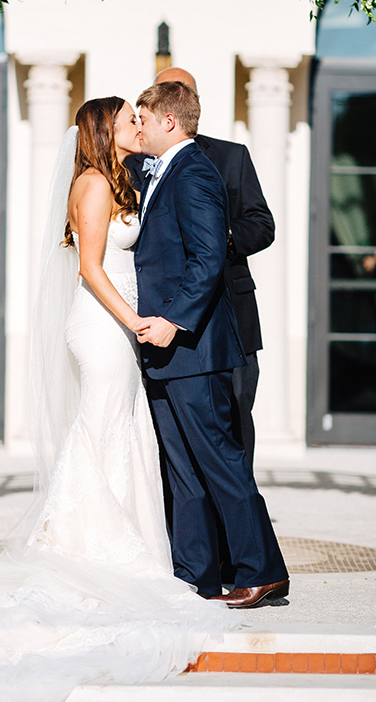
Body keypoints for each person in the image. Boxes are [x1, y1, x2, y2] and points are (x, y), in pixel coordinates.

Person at [0, 98, 240, 702]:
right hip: (104, 325)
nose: (137, 124)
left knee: (122, 430)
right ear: (104, 131)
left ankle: (121, 540)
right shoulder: (90, 183)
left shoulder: (126, 181)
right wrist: (135, 319)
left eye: (141, 117)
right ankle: (77, 544)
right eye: (128, 119)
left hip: (126, 326)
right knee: (102, 427)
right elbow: (89, 267)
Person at [133, 80, 289, 607]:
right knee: (183, 471)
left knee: (220, 461)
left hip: (193, 349)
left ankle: (261, 570)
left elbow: (206, 261)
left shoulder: (195, 172)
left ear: (169, 122)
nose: (140, 127)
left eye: (145, 119)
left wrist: (173, 322)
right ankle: (193, 575)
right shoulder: (159, 171)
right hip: (165, 353)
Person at [126, 66, 274, 469]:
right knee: (172, 437)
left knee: (234, 423)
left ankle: (235, 517)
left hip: (230, 315)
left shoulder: (230, 156)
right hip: (164, 312)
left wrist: (214, 235)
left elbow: (262, 226)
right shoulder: (140, 163)